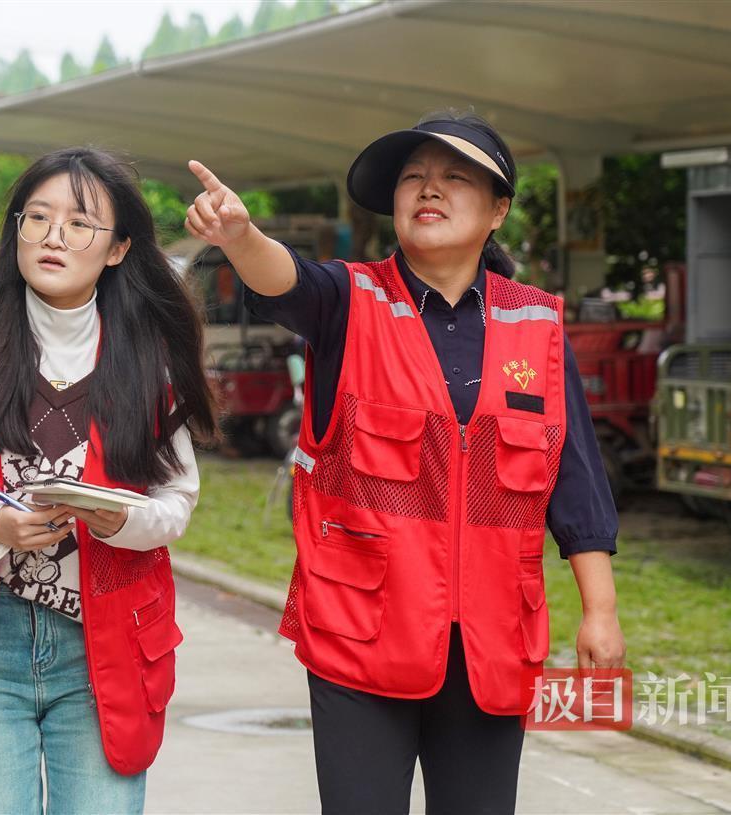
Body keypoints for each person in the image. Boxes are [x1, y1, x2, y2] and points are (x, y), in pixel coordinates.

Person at [185, 110, 624, 814]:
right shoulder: (347, 300)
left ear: (498, 211)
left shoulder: (537, 324)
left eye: (455, 178)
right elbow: (284, 280)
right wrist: (240, 237)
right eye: (413, 177)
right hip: (360, 634)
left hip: (491, 644)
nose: (429, 188)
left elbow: (576, 478)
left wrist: (599, 610)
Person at [0, 147, 219, 814]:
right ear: (17, 230)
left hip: (105, 646)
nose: (54, 236)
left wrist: (122, 520)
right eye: (39, 217)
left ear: (118, 248)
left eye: (80, 223)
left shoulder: (148, 366)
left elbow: (176, 501)